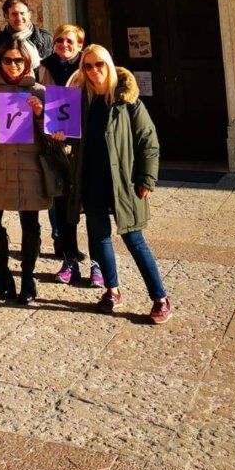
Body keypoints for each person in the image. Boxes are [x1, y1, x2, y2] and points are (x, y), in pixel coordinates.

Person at [67, 44, 172, 324]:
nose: (93, 71)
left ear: (109, 66)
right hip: (92, 182)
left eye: (99, 64)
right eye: (87, 66)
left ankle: (160, 298)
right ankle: (112, 291)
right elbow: (68, 138)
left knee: (134, 240)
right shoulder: (79, 102)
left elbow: (148, 142)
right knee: (99, 239)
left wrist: (147, 178)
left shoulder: (129, 101)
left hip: (124, 183)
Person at [0, 33, 55, 304]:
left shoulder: (38, 90)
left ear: (27, 61)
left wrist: (41, 113)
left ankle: (28, 279)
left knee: (30, 223)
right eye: (7, 60)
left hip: (29, 164)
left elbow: (53, 134)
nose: (13, 65)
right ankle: (2, 276)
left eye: (18, 60)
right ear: (0, 61)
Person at [36, 23, 102, 288]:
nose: (64, 46)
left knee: (94, 207)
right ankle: (69, 259)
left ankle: (98, 262)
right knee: (63, 207)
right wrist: (41, 113)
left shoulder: (90, 67)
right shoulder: (43, 68)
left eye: (70, 41)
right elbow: (36, 99)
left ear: (80, 44)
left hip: (87, 148)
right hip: (56, 146)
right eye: (60, 41)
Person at [0, 0, 53, 75]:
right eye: (14, 14)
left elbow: (52, 72)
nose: (19, 18)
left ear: (29, 15)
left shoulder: (45, 39)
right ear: (6, 17)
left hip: (39, 86)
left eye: (22, 13)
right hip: (6, 86)